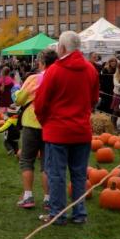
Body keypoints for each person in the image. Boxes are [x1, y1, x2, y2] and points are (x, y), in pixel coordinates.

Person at [35, 31, 99, 225]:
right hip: (81, 131)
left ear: (62, 48)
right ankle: (79, 213)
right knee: (79, 175)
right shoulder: (91, 70)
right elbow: (94, 100)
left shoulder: (54, 70)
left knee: (56, 174)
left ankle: (57, 213)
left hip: (57, 132)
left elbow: (40, 103)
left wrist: (46, 122)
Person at [14, 49, 57, 209]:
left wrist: (17, 92)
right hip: (50, 125)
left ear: (42, 63)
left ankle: (28, 196)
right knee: (47, 164)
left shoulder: (33, 78)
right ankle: (48, 199)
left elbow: (19, 99)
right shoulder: (58, 78)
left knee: (26, 160)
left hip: (31, 123)